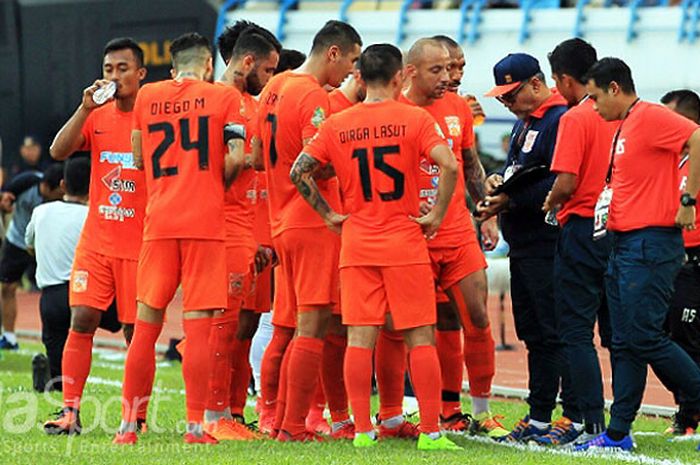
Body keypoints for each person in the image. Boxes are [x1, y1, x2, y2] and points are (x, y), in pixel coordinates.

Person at [291, 43, 461, 451]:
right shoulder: (414, 118)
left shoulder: (337, 124)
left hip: (358, 244)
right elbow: (451, 164)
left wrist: (330, 215)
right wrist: (436, 216)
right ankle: (432, 432)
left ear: (360, 78)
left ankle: (364, 431)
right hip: (404, 242)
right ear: (400, 77)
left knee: (359, 339)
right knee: (420, 336)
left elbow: (301, 171)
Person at [113, 32, 247, 445]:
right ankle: (194, 427)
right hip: (204, 224)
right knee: (201, 325)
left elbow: (137, 157)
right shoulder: (223, 97)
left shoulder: (148, 96)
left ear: (173, 64)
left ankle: (127, 427)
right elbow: (239, 157)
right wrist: (212, 181)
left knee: (146, 323)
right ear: (209, 65)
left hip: (159, 223)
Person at [574, 58, 700, 452]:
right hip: (624, 243)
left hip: (650, 243)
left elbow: (697, 139)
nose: (593, 106)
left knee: (644, 337)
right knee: (626, 342)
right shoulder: (625, 125)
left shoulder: (651, 117)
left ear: (614, 88)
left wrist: (688, 200)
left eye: (595, 97)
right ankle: (617, 434)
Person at [257, 20, 362, 441]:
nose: (351, 73)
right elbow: (315, 161)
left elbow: (254, 153)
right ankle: (293, 425)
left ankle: (279, 418)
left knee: (293, 326)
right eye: (351, 61)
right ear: (333, 53)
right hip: (310, 220)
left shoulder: (274, 86)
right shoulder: (313, 95)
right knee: (314, 327)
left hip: (281, 218)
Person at [43, 38, 148, 435]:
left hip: (139, 244)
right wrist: (85, 107)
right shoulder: (97, 115)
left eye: (122, 69)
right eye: (108, 69)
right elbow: (57, 150)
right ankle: (70, 411)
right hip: (98, 240)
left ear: (140, 74)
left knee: (136, 332)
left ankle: (134, 413)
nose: (114, 76)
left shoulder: (151, 117)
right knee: (82, 318)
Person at [477, 53, 579, 443]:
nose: (505, 104)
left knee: (554, 331)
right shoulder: (526, 124)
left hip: (547, 242)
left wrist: (510, 200)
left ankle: (573, 415)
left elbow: (559, 180)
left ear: (537, 84)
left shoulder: (558, 121)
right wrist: (498, 182)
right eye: (502, 98)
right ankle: (539, 416)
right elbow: (521, 173)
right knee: (534, 334)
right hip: (523, 243)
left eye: (511, 95)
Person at [421, 35, 504, 437]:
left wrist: (484, 213)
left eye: (458, 67)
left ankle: (483, 410)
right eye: (444, 68)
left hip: (455, 230)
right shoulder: (395, 106)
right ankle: (444, 409)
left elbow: (469, 162)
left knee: (476, 316)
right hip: (413, 236)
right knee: (428, 323)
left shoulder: (458, 108)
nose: (454, 76)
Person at [201, 22, 280, 441]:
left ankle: (232, 409)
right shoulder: (215, 102)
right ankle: (212, 415)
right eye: (267, 71)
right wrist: (248, 157)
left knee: (244, 324)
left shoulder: (250, 104)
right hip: (222, 228)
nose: (269, 80)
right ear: (247, 61)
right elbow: (217, 171)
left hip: (252, 227)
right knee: (223, 321)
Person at [539, 38, 617, 446]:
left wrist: (550, 202)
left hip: (582, 228)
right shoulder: (625, 113)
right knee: (619, 332)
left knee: (574, 330)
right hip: (621, 229)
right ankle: (622, 421)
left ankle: (591, 420)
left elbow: (566, 181)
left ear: (566, 79)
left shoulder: (576, 118)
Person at [25, 157, 90, 392]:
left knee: (55, 345)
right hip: (86, 293)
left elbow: (29, 244)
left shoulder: (40, 211)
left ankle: (53, 381)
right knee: (88, 337)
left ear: (63, 184)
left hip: (51, 295)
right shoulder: (93, 216)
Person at [658, 89, 700, 436]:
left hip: (694, 260)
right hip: (667, 257)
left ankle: (689, 415)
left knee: (684, 336)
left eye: (668, 117)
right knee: (653, 335)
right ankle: (688, 408)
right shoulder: (672, 159)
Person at [0, 164, 64, 351]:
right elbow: (5, 197)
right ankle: (9, 337)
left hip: (47, 246)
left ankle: (57, 337)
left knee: (55, 291)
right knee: (7, 288)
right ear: (45, 186)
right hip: (18, 242)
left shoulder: (63, 197)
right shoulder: (26, 182)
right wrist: (4, 202)